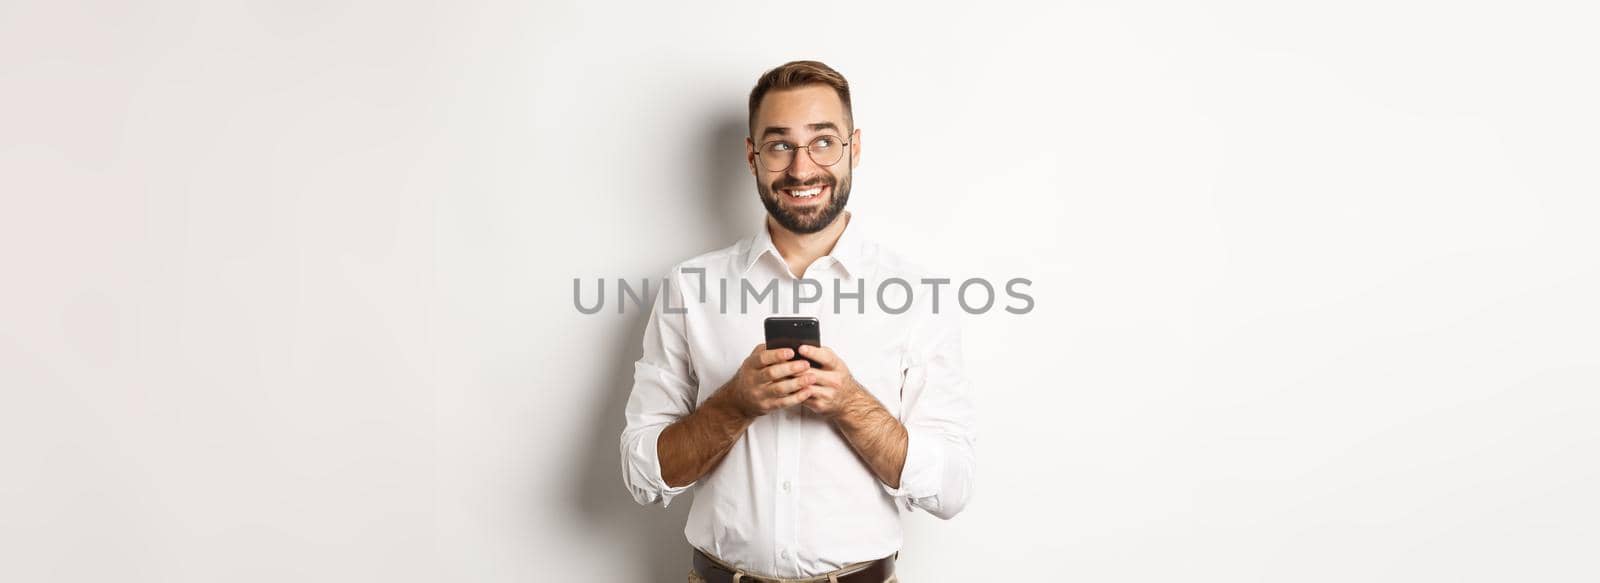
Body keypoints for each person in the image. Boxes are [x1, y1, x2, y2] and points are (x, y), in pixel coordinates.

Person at [620, 60, 977, 583]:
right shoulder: (689, 288)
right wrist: (735, 404)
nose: (802, 169)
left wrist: (852, 404)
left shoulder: (919, 295)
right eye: (779, 145)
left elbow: (951, 489)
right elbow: (641, 475)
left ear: (854, 147)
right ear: (752, 156)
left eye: (823, 142)